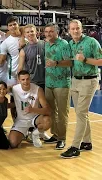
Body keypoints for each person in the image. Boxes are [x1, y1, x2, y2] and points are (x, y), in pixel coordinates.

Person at [61, 19, 102, 158]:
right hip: (75, 80)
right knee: (80, 112)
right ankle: (87, 142)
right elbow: (71, 62)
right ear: (69, 30)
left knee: (81, 113)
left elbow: (101, 60)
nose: (75, 31)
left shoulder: (91, 42)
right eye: (72, 29)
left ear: (81, 29)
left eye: (77, 28)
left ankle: (75, 147)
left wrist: (85, 59)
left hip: (89, 80)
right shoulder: (71, 44)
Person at [43, 22, 72, 150]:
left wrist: (56, 63)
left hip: (62, 83)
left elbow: (70, 62)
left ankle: (62, 138)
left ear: (57, 32)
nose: (48, 34)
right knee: (52, 111)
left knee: (62, 113)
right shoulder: (46, 45)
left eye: (51, 31)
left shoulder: (64, 45)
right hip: (49, 82)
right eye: (46, 31)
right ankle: (55, 134)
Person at [8, 70, 51, 148]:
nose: (26, 82)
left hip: (35, 119)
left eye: (27, 79)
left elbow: (47, 110)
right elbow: (2, 91)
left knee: (47, 121)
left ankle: (35, 134)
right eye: (23, 80)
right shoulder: (14, 89)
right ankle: (25, 134)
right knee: (12, 143)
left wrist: (33, 110)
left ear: (30, 78)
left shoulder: (38, 89)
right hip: (21, 120)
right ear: (18, 80)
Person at [18, 24, 45, 90]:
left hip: (46, 80)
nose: (30, 33)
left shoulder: (45, 44)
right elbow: (20, 68)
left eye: (32, 31)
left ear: (36, 32)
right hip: (32, 81)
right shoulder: (23, 50)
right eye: (27, 32)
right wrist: (19, 82)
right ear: (24, 35)